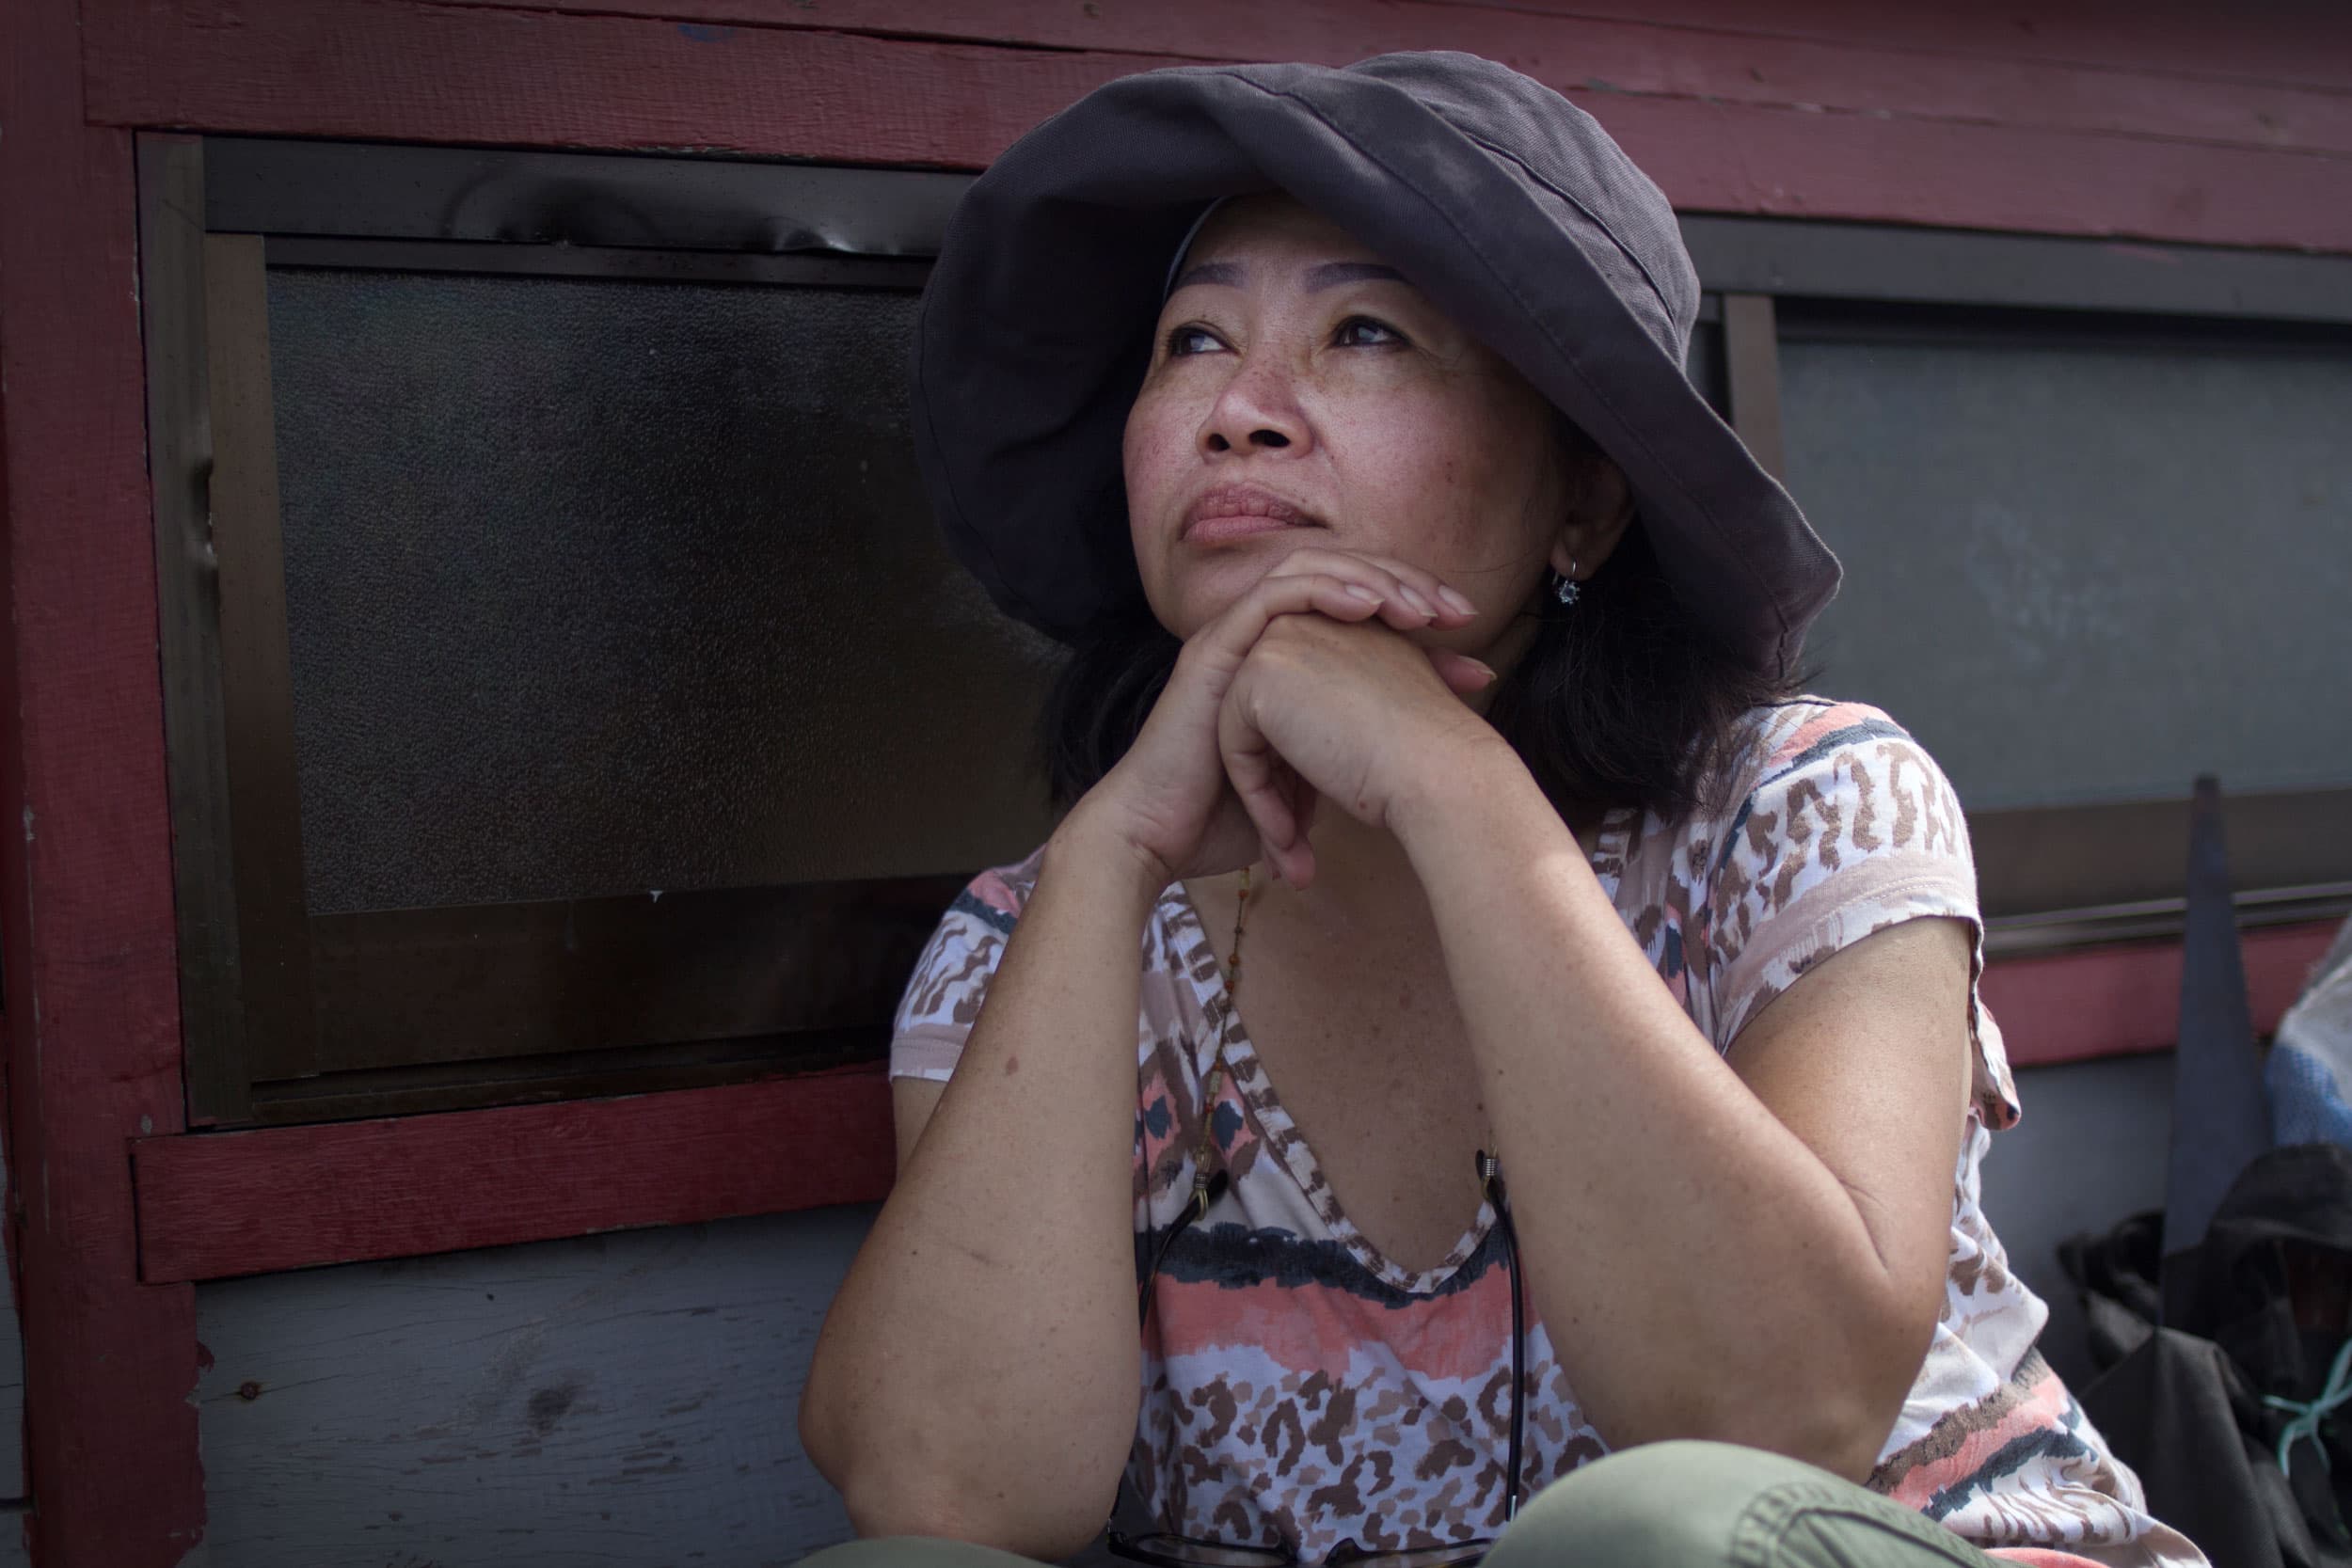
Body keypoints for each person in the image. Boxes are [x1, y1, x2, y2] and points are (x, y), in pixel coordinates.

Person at [798, 52, 2205, 1568]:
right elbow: (940, 1496)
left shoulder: (1795, 808)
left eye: (1365, 333)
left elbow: (1775, 1420)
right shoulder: (1039, 935)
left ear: (1583, 501)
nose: (1241, 414)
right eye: (1193, 339)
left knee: (1655, 1531)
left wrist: (1451, 783)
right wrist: (1113, 857)